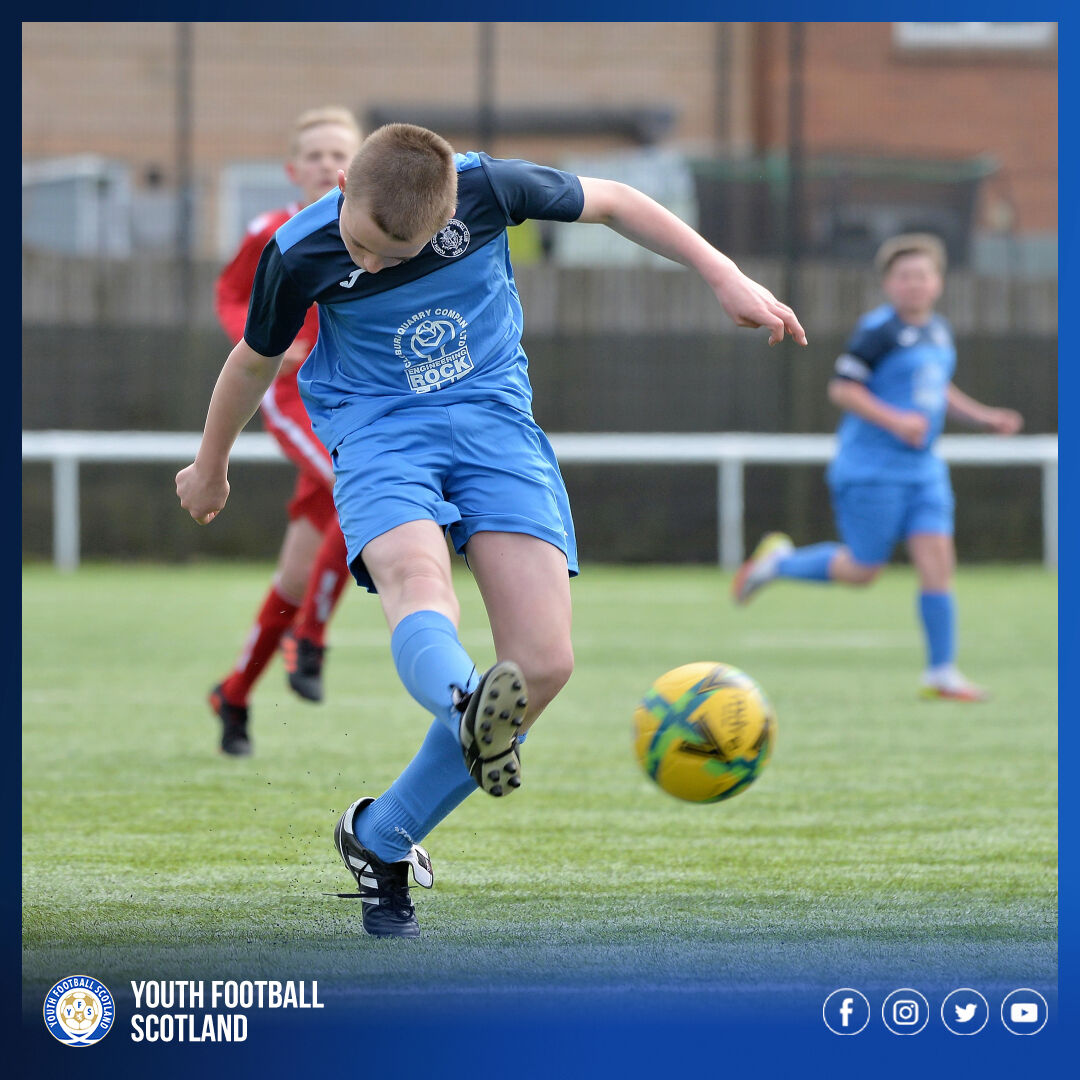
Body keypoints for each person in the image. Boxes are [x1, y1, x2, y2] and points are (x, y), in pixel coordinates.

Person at [177, 123, 806, 935]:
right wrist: (210, 465)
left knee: (543, 663)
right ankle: (464, 699)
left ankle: (381, 837)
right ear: (340, 197)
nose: (367, 264)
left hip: (495, 427)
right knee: (415, 577)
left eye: (390, 255)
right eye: (360, 244)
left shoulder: (489, 188)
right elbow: (251, 363)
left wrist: (724, 275)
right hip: (377, 432)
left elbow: (614, 201)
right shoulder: (299, 252)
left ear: (447, 219)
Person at [732, 232, 1023, 702]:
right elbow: (843, 389)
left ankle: (941, 672)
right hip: (871, 469)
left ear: (938, 283)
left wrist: (983, 417)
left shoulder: (939, 331)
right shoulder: (878, 331)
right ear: (889, 284)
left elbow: (937, 388)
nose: (914, 284)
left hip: (923, 470)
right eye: (904, 276)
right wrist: (896, 420)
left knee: (938, 566)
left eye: (922, 275)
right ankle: (778, 564)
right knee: (863, 570)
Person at [208, 106, 362, 756]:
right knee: (357, 481)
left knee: (293, 581)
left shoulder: (376, 233)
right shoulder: (274, 230)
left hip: (352, 402)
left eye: (340, 155)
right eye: (317, 155)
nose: (329, 165)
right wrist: (264, 342)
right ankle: (312, 639)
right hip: (294, 398)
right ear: (293, 169)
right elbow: (233, 295)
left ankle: (236, 692)